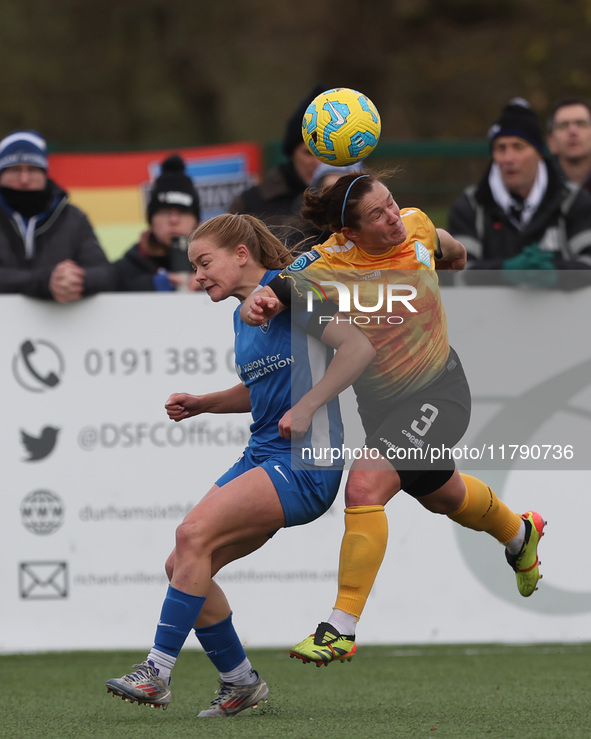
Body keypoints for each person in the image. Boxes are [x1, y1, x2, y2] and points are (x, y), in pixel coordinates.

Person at [241, 171, 546, 666]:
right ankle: (519, 533)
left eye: (391, 203)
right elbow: (273, 287)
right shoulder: (328, 260)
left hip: (440, 392)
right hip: (383, 409)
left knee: (365, 485)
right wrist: (263, 301)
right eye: (377, 215)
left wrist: (435, 274)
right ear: (351, 233)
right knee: (444, 496)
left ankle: (340, 627)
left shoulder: (417, 225)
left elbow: (456, 251)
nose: (392, 219)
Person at [105, 213, 375, 715]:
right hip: (265, 453)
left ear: (242, 254)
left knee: (191, 538)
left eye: (205, 263)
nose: (198, 275)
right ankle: (240, 682)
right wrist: (204, 402)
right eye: (193, 266)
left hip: (306, 461)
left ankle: (157, 671)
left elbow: (358, 348)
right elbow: (262, 390)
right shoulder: (240, 314)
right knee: (183, 562)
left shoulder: (291, 290)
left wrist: (311, 405)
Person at [447, 98, 591, 286]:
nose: (508, 158)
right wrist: (503, 271)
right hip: (485, 315)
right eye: (500, 148)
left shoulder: (573, 200)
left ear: (539, 153)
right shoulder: (470, 206)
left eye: (518, 147)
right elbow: (453, 272)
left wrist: (556, 272)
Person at [0, 130, 114, 301]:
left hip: (64, 325)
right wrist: (44, 282)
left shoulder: (73, 218)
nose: (24, 179)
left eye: (32, 169)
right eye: (16, 170)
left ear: (45, 173)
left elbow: (106, 274)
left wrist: (77, 279)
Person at [228, 85, 327, 251]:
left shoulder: (357, 199)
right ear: (292, 153)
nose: (318, 163)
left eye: (327, 154)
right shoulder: (250, 204)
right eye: (309, 153)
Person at [113, 154, 202, 292]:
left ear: (197, 222)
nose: (174, 220)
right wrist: (150, 286)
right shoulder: (124, 268)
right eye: (165, 212)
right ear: (151, 221)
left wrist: (212, 287)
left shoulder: (216, 266)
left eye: (183, 212)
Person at [546, 97, 591, 193]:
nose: (572, 131)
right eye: (564, 125)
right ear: (551, 142)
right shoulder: (538, 187)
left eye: (581, 123)